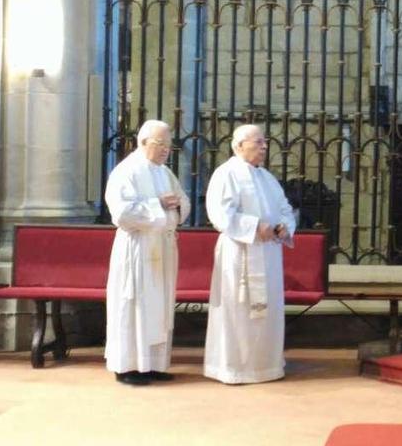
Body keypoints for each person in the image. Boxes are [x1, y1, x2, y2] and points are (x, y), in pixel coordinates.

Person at [204, 124, 297, 384]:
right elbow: (220, 214)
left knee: (268, 310)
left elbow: (285, 209)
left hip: (268, 254)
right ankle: (234, 368)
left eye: (264, 142)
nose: (264, 147)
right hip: (239, 253)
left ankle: (265, 366)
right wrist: (256, 226)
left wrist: (283, 227)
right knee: (237, 310)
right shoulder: (226, 174)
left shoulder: (267, 178)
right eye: (258, 142)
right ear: (238, 145)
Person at [104, 120, 190, 386]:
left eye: (169, 145)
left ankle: (152, 364)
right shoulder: (126, 171)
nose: (166, 150)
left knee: (159, 306)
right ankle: (127, 366)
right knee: (135, 305)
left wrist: (176, 207)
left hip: (162, 247)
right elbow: (121, 213)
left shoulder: (165, 173)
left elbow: (183, 201)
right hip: (137, 247)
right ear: (143, 142)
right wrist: (158, 204)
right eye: (160, 144)